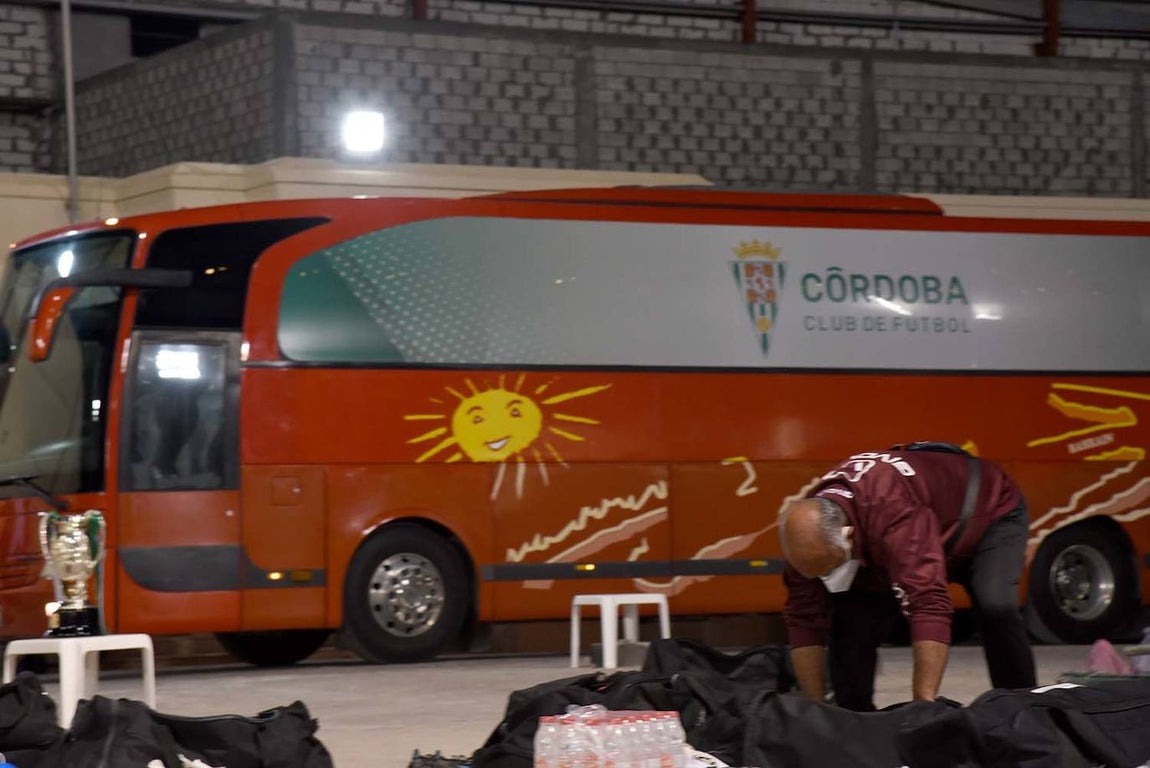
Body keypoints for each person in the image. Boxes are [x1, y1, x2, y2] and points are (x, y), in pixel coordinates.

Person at [778, 443, 1037, 710]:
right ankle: (853, 717)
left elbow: (928, 602)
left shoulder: (893, 511)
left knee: (995, 605)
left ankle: (1023, 708)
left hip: (987, 515)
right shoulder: (806, 533)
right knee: (852, 622)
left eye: (830, 569)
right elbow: (804, 619)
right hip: (913, 529)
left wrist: (921, 708)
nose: (826, 578)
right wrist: (815, 708)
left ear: (849, 536)